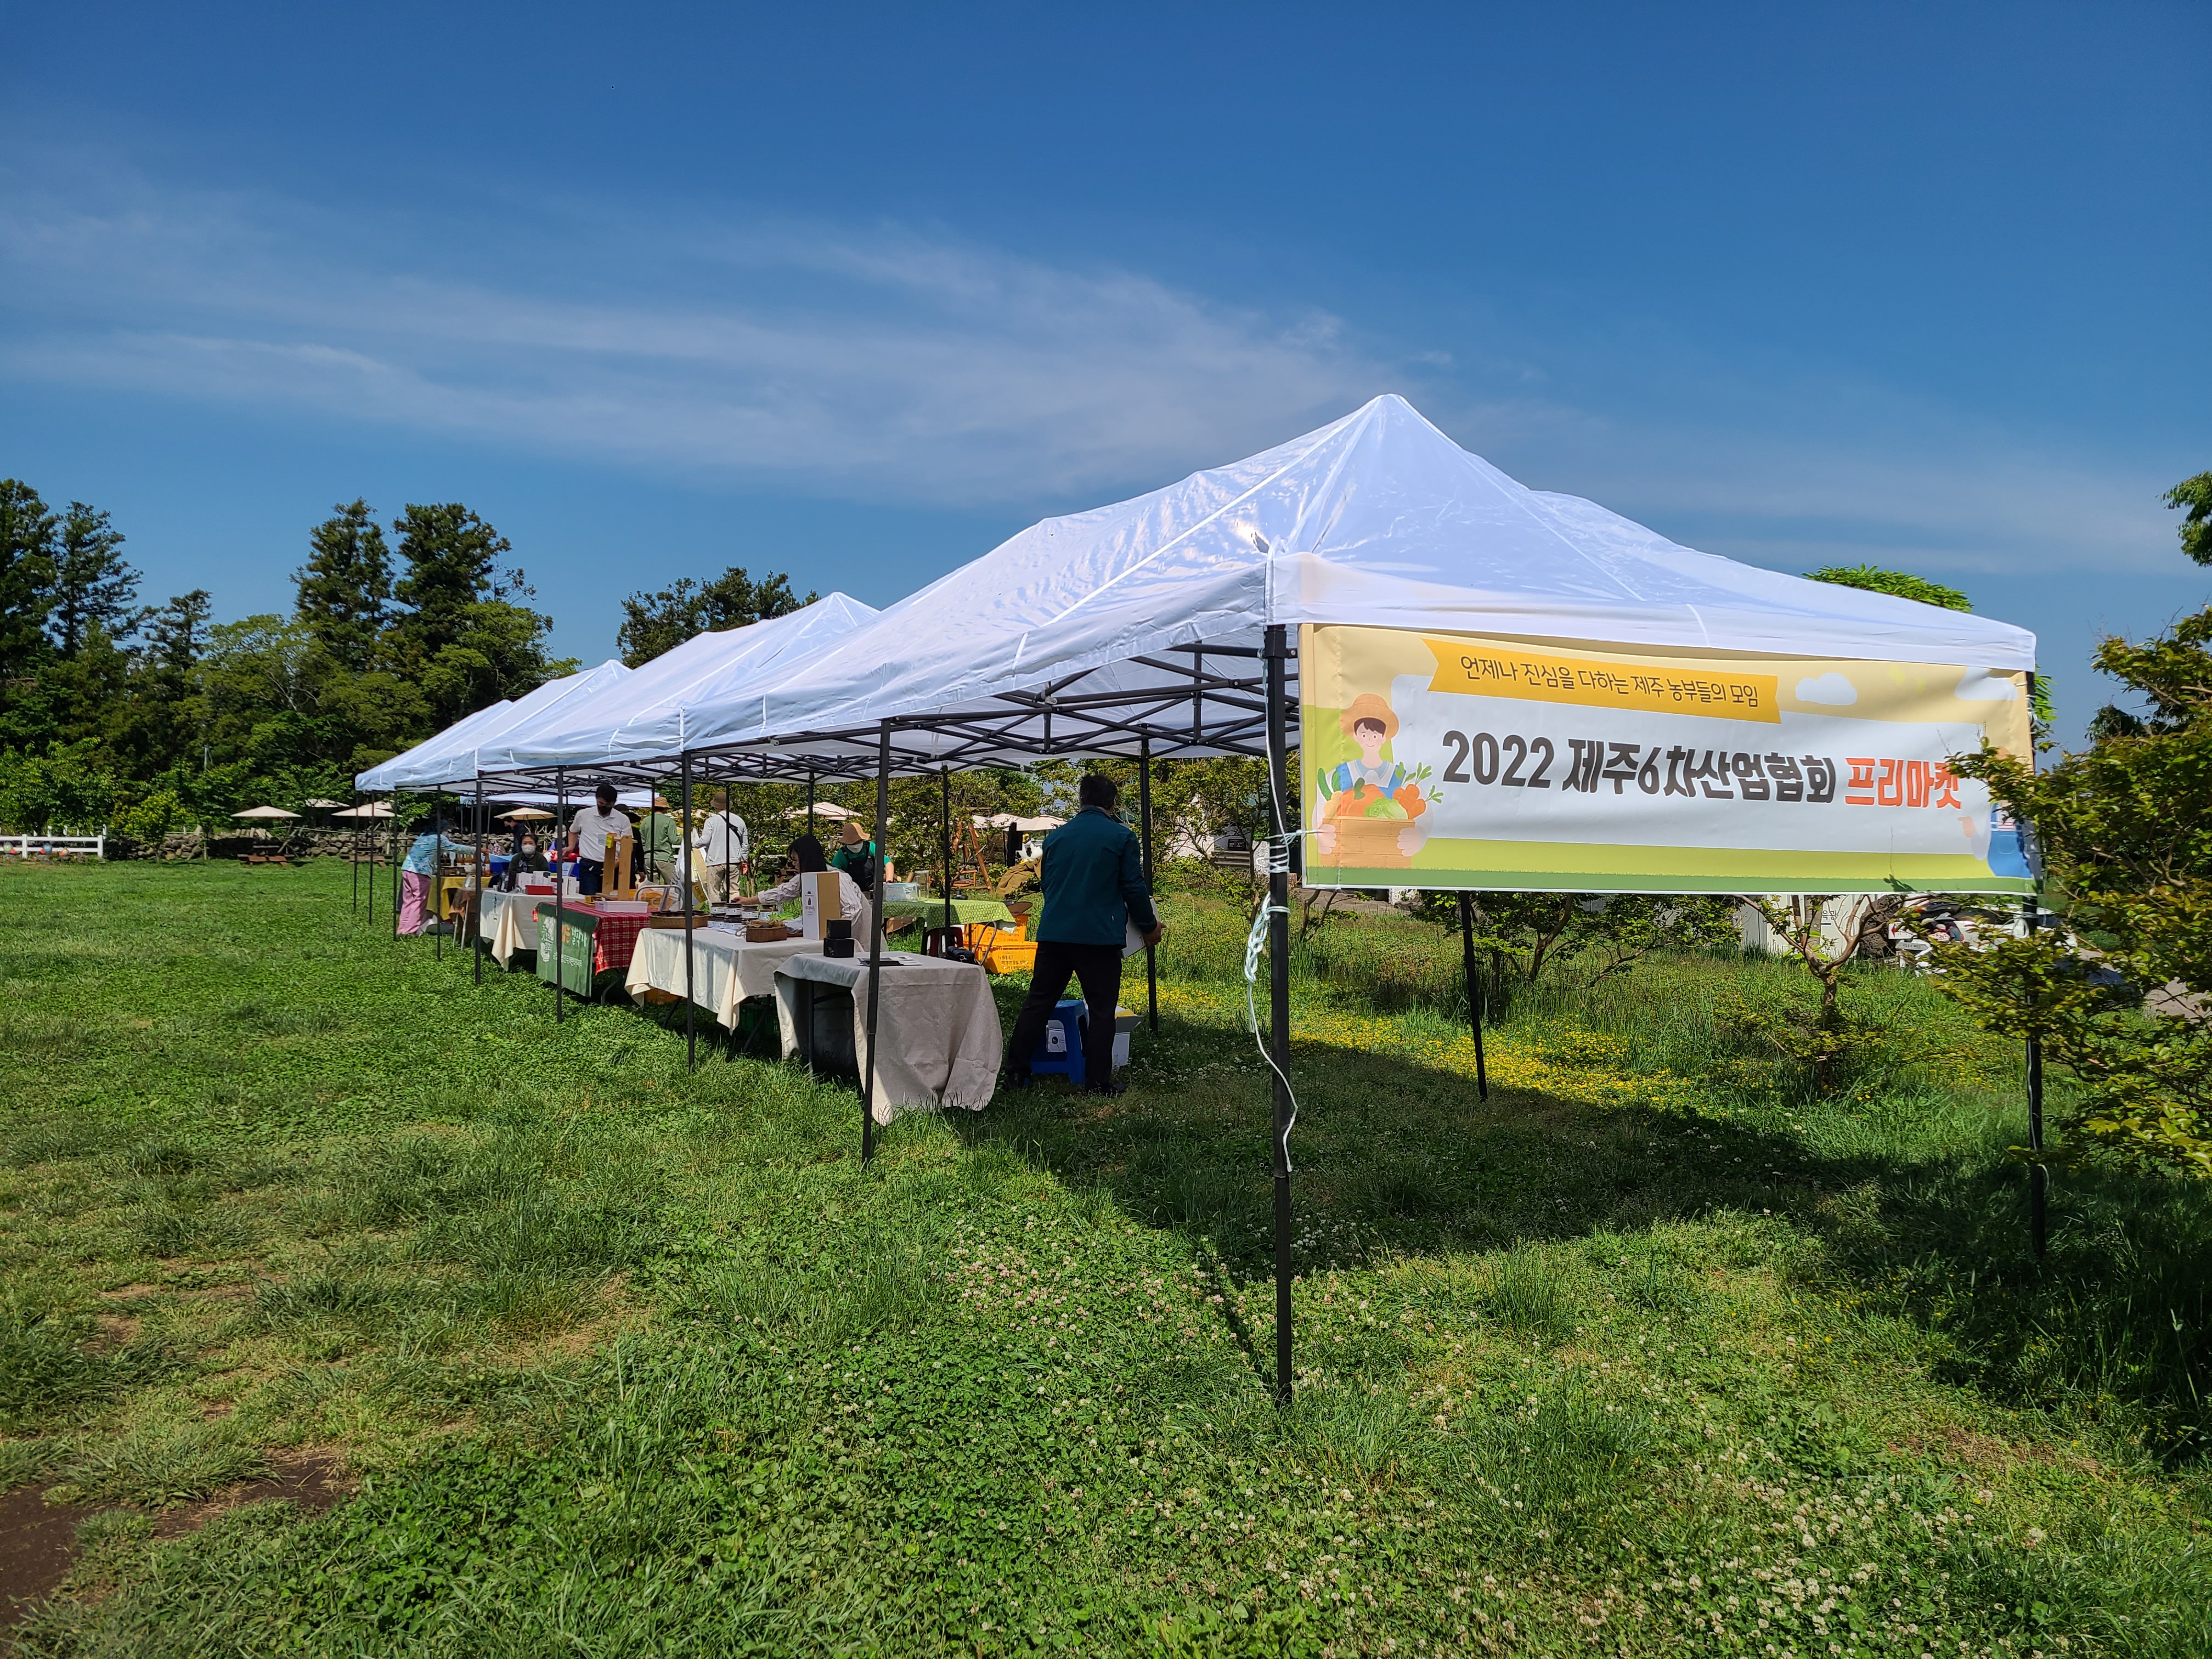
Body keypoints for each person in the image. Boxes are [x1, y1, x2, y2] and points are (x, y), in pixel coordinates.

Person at [1002, 775, 1164, 1096]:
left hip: (1055, 932)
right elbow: (1133, 887)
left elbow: (1048, 884)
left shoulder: (1056, 838)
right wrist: (1149, 926)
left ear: (1081, 800)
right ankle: (1097, 1083)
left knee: (1039, 1002)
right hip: (1097, 937)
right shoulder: (1122, 836)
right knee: (1102, 1010)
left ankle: (1016, 1073)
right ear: (1112, 804)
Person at [752, 833, 873, 939]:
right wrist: (749, 901)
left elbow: (853, 909)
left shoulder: (838, 878)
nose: (793, 864)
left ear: (806, 859)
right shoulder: (808, 877)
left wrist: (832, 934)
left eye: (795, 860)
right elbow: (784, 892)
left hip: (854, 936)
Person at [398, 818, 473, 935]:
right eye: (447, 830)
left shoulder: (424, 836)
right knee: (419, 901)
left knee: (408, 900)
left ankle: (403, 928)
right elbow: (456, 848)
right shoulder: (439, 839)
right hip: (420, 871)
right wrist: (476, 850)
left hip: (408, 868)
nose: (448, 833)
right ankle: (410, 930)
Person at [566, 785, 631, 896]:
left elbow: (628, 845)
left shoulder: (622, 819)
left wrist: (617, 863)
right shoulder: (583, 815)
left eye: (608, 805)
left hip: (612, 865)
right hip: (589, 863)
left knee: (610, 898)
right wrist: (571, 846)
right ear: (596, 799)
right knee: (588, 898)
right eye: (601, 804)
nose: (604, 807)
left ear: (614, 802)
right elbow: (573, 831)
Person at [693, 790, 750, 902]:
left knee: (714, 891)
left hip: (715, 861)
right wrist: (744, 859)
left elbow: (705, 840)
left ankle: (716, 912)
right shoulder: (739, 821)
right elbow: (745, 844)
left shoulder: (711, 821)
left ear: (715, 806)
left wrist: (692, 844)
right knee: (733, 891)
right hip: (734, 861)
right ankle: (734, 911)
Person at [634, 795, 682, 884]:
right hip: (665, 857)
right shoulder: (669, 821)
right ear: (665, 809)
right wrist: (686, 838)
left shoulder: (646, 821)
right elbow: (674, 840)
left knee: (653, 887)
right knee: (672, 885)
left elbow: (642, 841)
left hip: (648, 858)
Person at [829, 819, 878, 894]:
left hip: (872, 889)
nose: (855, 845)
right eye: (852, 843)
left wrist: (889, 883)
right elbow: (833, 873)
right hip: (851, 891)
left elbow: (888, 863)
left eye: (858, 842)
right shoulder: (842, 854)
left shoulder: (870, 847)